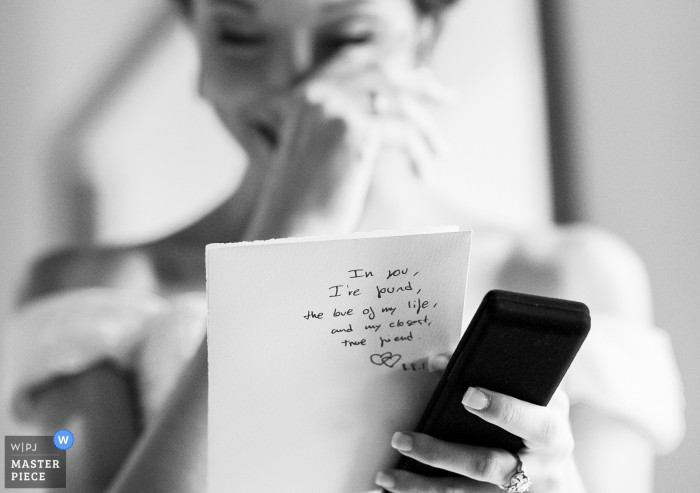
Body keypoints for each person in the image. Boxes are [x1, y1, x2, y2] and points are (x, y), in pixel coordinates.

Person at [8, 0, 684, 491]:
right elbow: (39, 475)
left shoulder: (569, 274)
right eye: (241, 36)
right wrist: (292, 240)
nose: (299, 83)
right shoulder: (83, 286)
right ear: (198, 50)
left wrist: (549, 484)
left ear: (425, 35)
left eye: (349, 35)